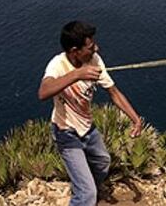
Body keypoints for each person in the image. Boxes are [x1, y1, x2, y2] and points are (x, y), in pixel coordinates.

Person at [38, 21, 142, 206]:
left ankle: (85, 190)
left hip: (88, 128)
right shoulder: (57, 65)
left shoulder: (94, 60)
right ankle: (85, 195)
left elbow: (114, 93)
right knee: (87, 194)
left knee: (102, 162)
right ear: (74, 50)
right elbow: (43, 92)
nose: (96, 48)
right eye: (90, 46)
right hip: (66, 133)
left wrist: (136, 120)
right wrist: (77, 74)